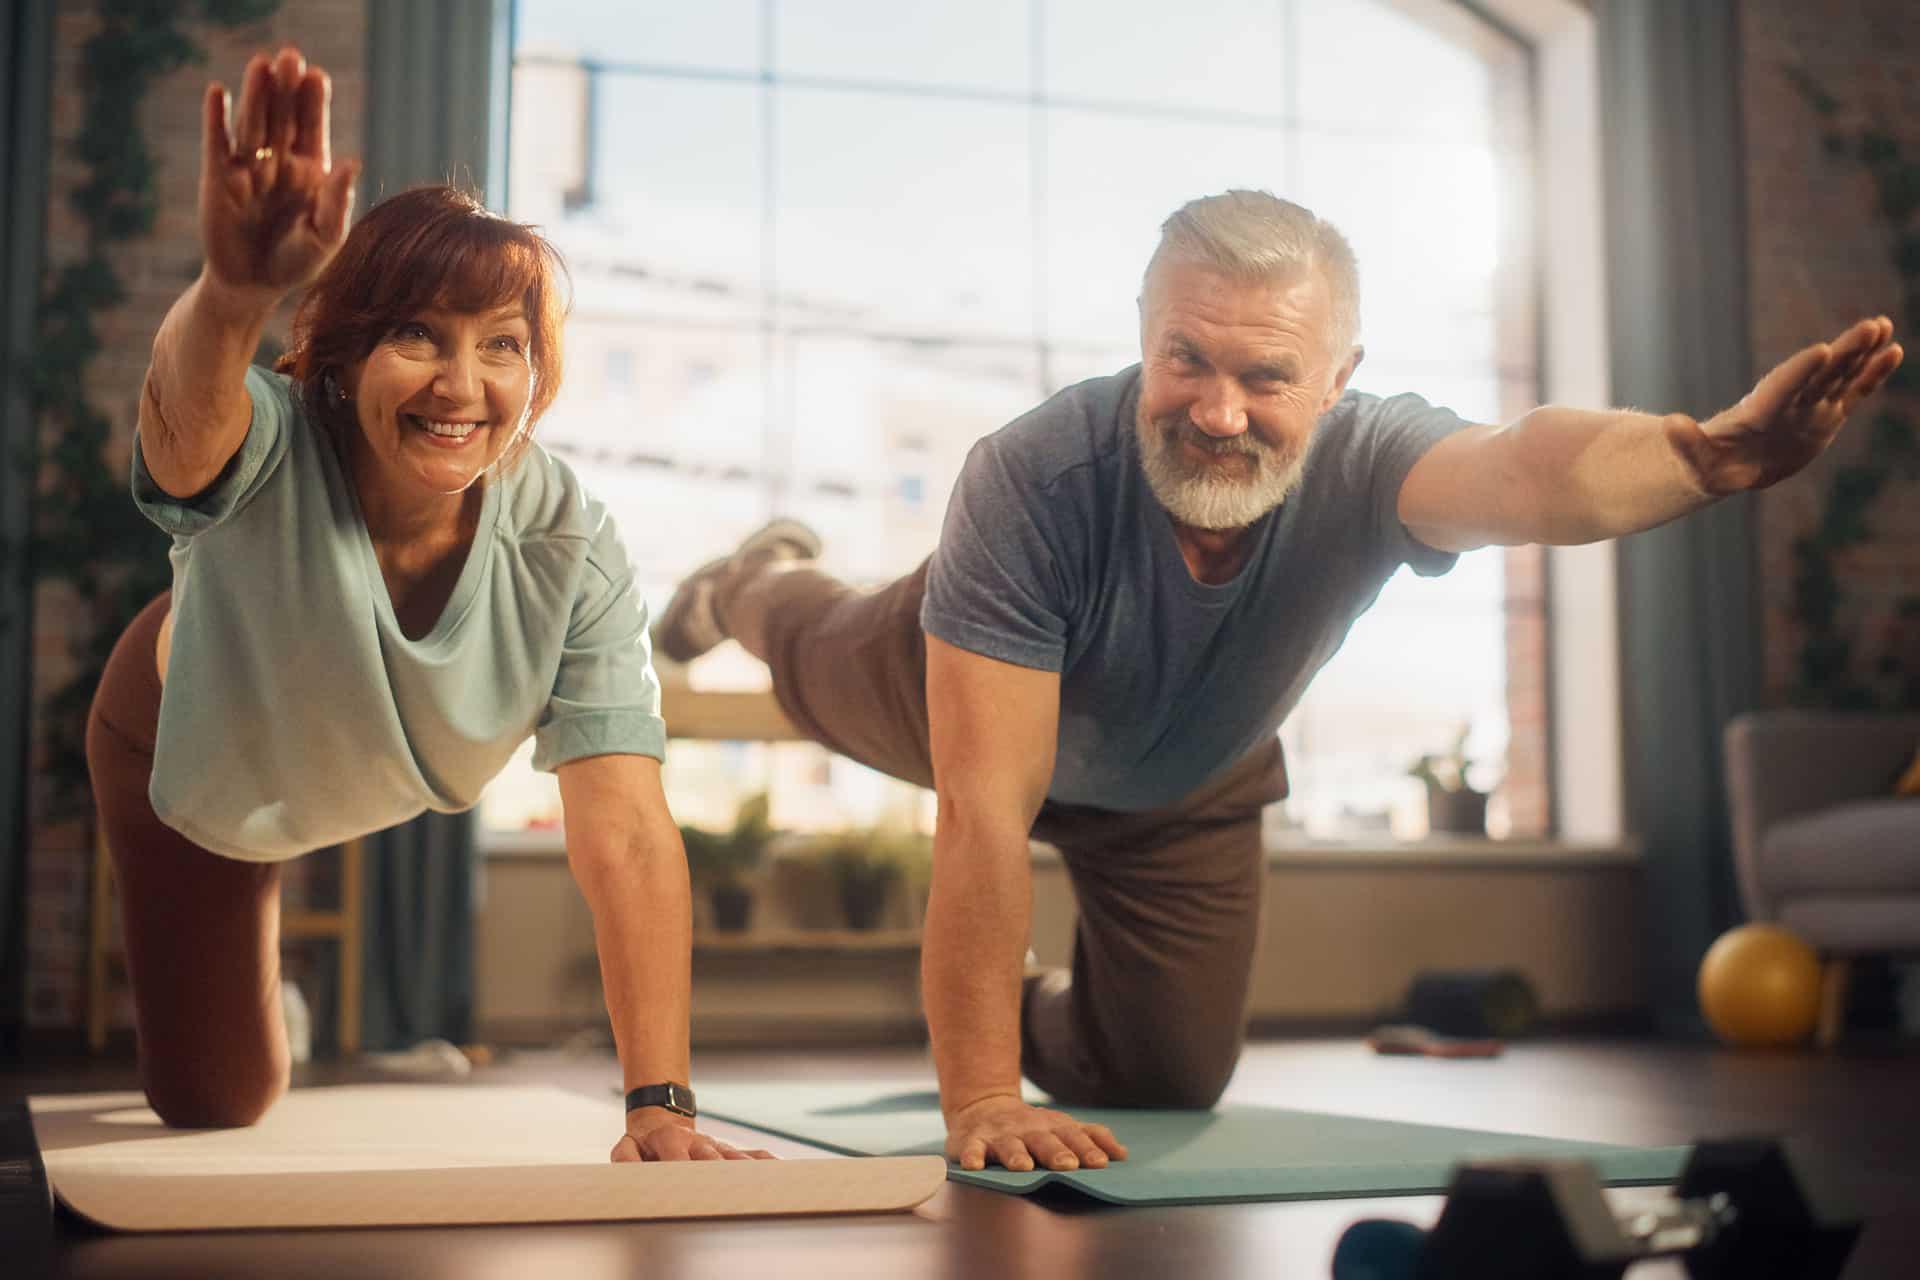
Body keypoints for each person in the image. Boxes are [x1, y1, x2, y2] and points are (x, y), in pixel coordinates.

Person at [655, 189, 1903, 1174]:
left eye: (1267, 376)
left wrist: (1703, 454)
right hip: (965, 696)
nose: (1217, 410)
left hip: (1188, 774)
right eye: (1186, 359)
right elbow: (986, 817)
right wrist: (978, 1093)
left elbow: (1528, 472)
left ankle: (1028, 1000)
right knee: (809, 645)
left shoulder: (1376, 462)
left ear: (1340, 378)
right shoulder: (1029, 481)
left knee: (1168, 1077)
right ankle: (745, 582)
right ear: (1143, 338)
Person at [85, 46, 768, 1164]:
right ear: (343, 361)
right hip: (192, 732)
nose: (463, 385)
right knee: (215, 1100)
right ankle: (263, 995)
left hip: (338, 753)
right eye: (418, 334)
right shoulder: (271, 435)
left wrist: (661, 1103)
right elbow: (180, 424)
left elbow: (628, 833)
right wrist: (235, 292)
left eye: (502, 345)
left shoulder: (570, 543)